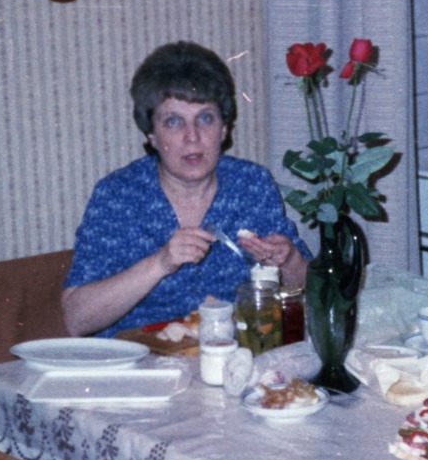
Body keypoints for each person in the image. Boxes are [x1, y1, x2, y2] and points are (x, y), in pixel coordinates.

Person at [62, 42, 310, 337]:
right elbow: (76, 319)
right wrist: (161, 262)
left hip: (230, 360)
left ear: (224, 128)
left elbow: (304, 288)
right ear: (151, 134)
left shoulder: (251, 184)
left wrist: (289, 260)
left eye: (205, 118)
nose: (192, 137)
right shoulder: (118, 196)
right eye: (173, 121)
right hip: (138, 367)